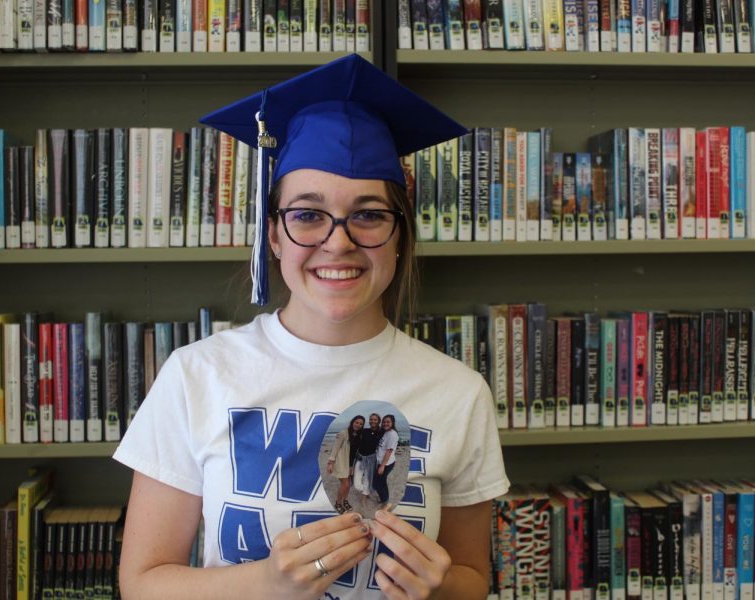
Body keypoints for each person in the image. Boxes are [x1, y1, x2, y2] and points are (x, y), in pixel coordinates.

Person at [114, 54, 509, 600]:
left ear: (400, 235)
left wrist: (439, 589)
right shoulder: (197, 376)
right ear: (272, 235)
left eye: (369, 214)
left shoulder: (459, 394)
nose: (339, 242)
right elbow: (141, 584)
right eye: (307, 214)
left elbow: (472, 582)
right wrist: (265, 583)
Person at [326, 414, 364, 513]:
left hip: (350, 464)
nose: (358, 425)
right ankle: (338, 503)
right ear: (352, 422)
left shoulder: (359, 435)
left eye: (360, 424)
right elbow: (335, 448)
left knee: (349, 483)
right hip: (341, 462)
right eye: (356, 422)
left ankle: (345, 501)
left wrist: (352, 465)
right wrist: (330, 462)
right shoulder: (343, 433)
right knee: (345, 484)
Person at [373, 414, 400, 511]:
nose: (385, 423)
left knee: (378, 483)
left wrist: (382, 466)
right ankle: (384, 499)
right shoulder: (385, 432)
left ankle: (386, 502)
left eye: (388, 422)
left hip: (386, 463)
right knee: (380, 482)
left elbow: (389, 451)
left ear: (392, 423)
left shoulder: (392, 434)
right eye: (384, 422)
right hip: (381, 462)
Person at [352, 412, 383, 497]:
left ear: (378, 421)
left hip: (371, 459)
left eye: (375, 419)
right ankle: (366, 490)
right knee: (356, 483)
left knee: (367, 479)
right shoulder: (364, 431)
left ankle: (365, 494)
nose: (373, 421)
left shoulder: (381, 433)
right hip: (360, 458)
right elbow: (354, 435)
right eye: (371, 419)